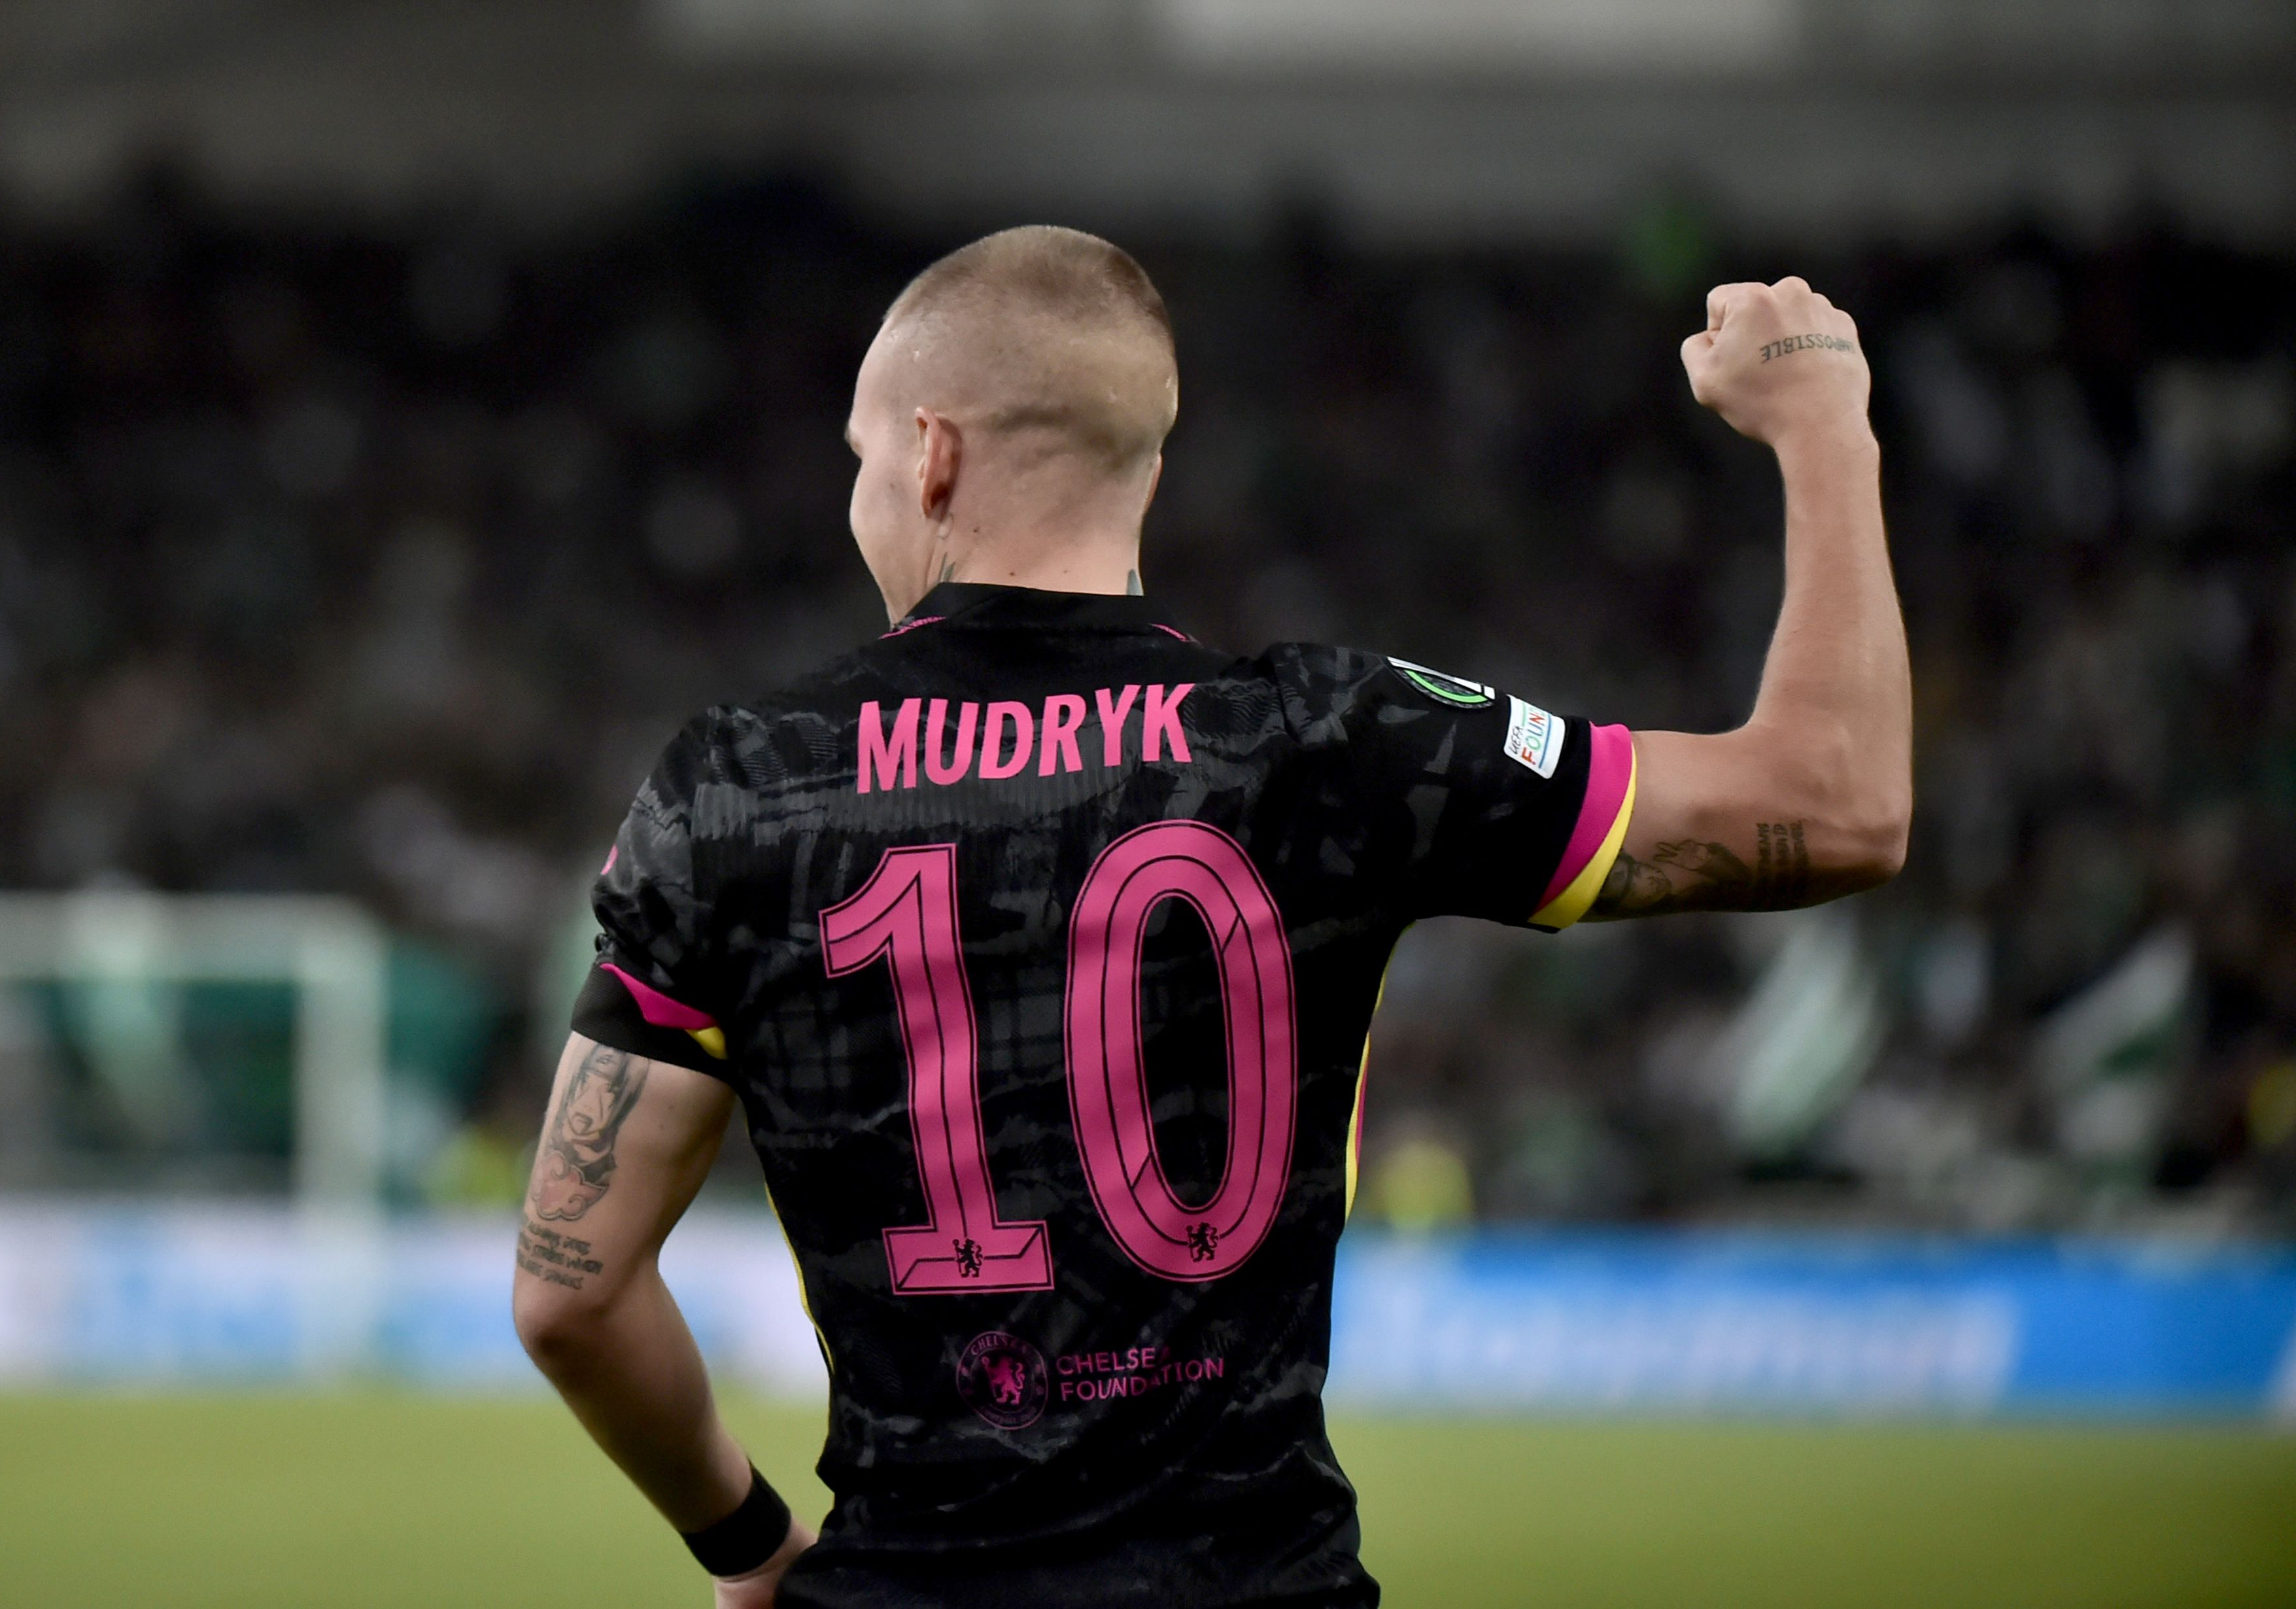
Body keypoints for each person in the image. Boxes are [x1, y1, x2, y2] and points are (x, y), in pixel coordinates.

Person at [511, 226, 1909, 1608]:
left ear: (931, 453)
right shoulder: (1332, 741)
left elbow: (570, 1293)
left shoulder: (739, 788)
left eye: (863, 456)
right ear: (1149, 469)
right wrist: (1826, 428)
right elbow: (1840, 806)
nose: (865, 492)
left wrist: (748, 1545)